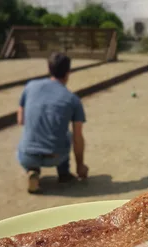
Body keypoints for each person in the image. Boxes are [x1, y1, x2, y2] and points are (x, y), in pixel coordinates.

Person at [17, 52, 88, 194]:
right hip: (55, 157)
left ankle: (33, 170)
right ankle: (64, 174)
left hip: (27, 154)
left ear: (49, 69)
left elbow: (21, 120)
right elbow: (77, 137)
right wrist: (80, 165)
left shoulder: (30, 86)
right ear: (68, 72)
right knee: (67, 134)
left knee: (29, 135)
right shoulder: (72, 99)